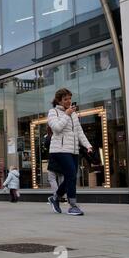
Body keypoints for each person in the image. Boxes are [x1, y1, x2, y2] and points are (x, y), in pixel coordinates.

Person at [47, 88, 93, 216]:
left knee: (70, 176)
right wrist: (66, 114)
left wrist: (88, 145)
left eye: (69, 99)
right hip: (59, 150)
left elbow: (79, 132)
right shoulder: (53, 112)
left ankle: (55, 198)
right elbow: (56, 128)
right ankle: (73, 205)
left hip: (73, 150)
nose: (68, 101)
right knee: (71, 175)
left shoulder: (73, 114)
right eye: (65, 99)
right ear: (59, 100)